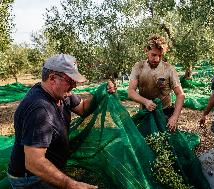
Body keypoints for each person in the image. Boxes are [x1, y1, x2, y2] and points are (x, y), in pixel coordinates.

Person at [7, 54, 116, 189]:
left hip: (45, 169)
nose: (74, 85)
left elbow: (82, 108)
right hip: (31, 178)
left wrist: (101, 92)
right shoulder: (40, 110)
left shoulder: (61, 95)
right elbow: (34, 163)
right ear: (52, 78)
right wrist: (72, 184)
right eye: (70, 81)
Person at [128, 34, 185, 132]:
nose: (157, 59)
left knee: (164, 142)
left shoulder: (169, 69)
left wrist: (174, 117)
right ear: (146, 50)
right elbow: (131, 91)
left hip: (164, 113)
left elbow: (180, 94)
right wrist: (145, 102)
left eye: (160, 55)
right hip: (145, 111)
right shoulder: (138, 67)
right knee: (146, 141)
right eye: (154, 55)